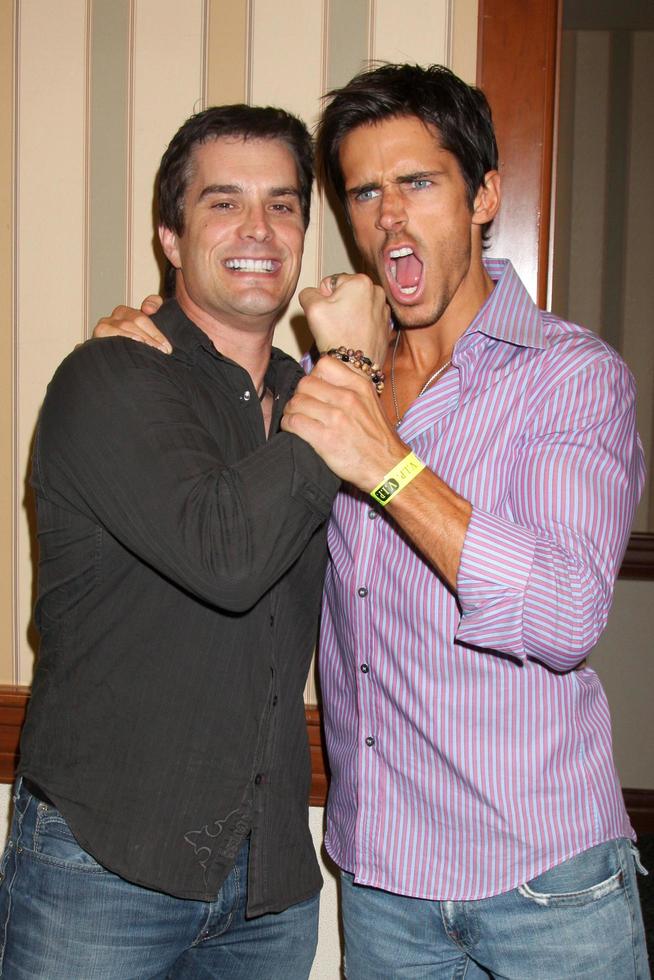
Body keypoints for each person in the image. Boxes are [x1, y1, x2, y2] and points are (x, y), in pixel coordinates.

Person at [92, 65, 650, 978]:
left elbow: (564, 616)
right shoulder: (323, 380)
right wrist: (149, 340)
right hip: (383, 884)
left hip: (545, 881)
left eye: (419, 183)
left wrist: (385, 465)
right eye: (364, 192)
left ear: (484, 196)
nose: (390, 216)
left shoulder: (569, 375)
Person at [0, 103, 388, 979]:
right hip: (102, 864)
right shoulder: (109, 376)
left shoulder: (311, 401)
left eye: (284, 205)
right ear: (170, 237)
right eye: (224, 202)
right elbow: (228, 556)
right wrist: (355, 373)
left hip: (270, 884)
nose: (259, 229)